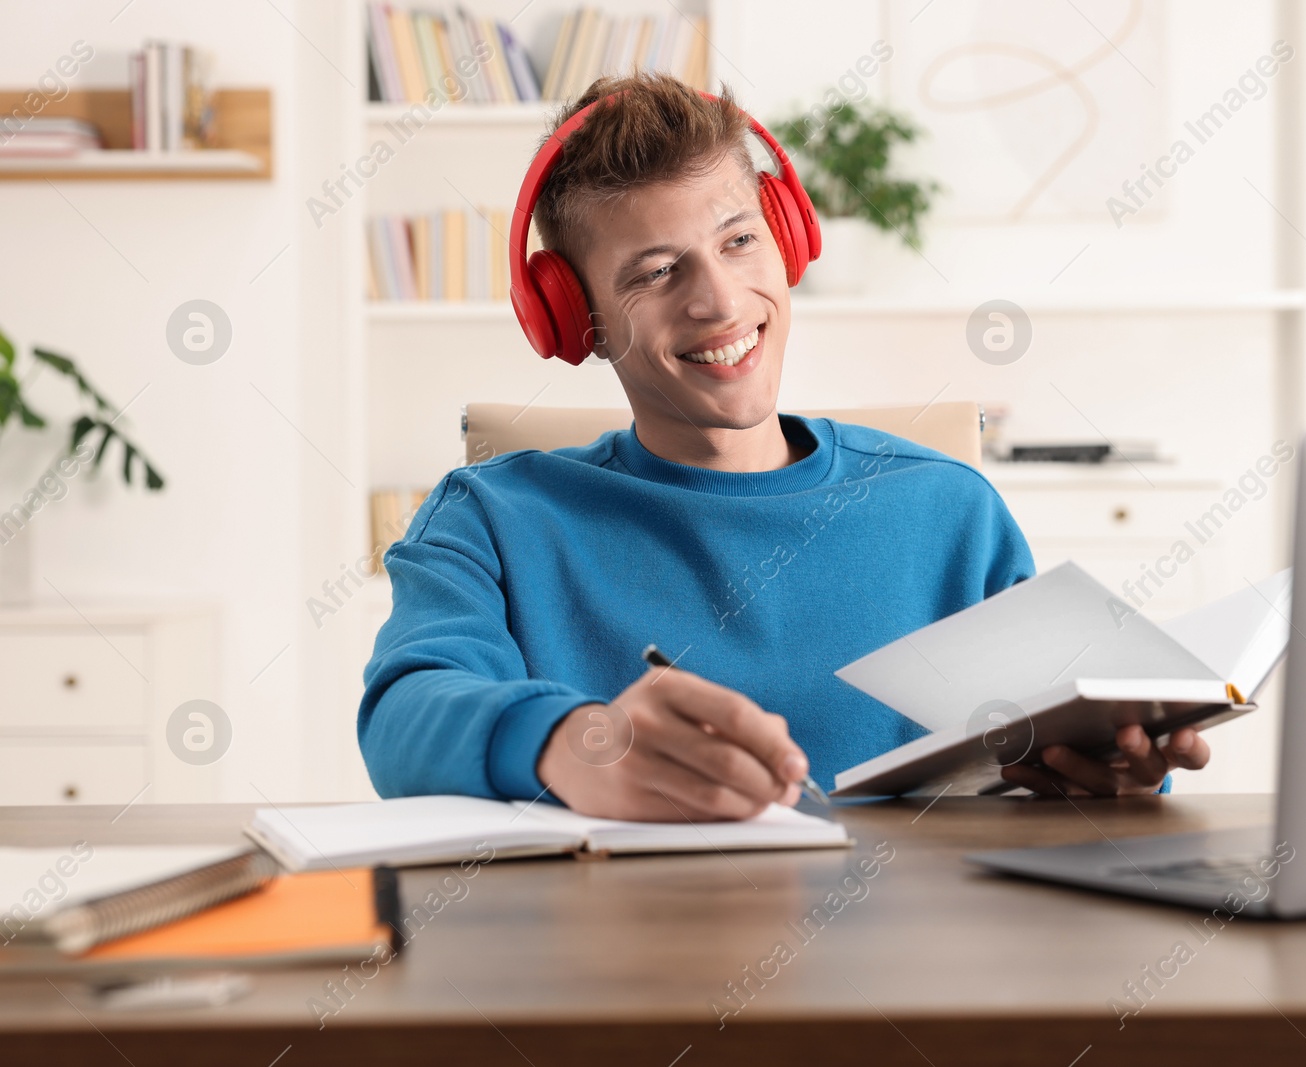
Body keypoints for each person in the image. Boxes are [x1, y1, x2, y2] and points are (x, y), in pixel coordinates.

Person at [358, 73, 1210, 821]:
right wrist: (576, 742)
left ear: (787, 238)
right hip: (619, 968)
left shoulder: (949, 511)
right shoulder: (490, 518)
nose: (721, 302)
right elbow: (404, 712)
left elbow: (1073, 742)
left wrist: (1117, 770)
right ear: (572, 318)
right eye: (656, 272)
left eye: (738, 240)